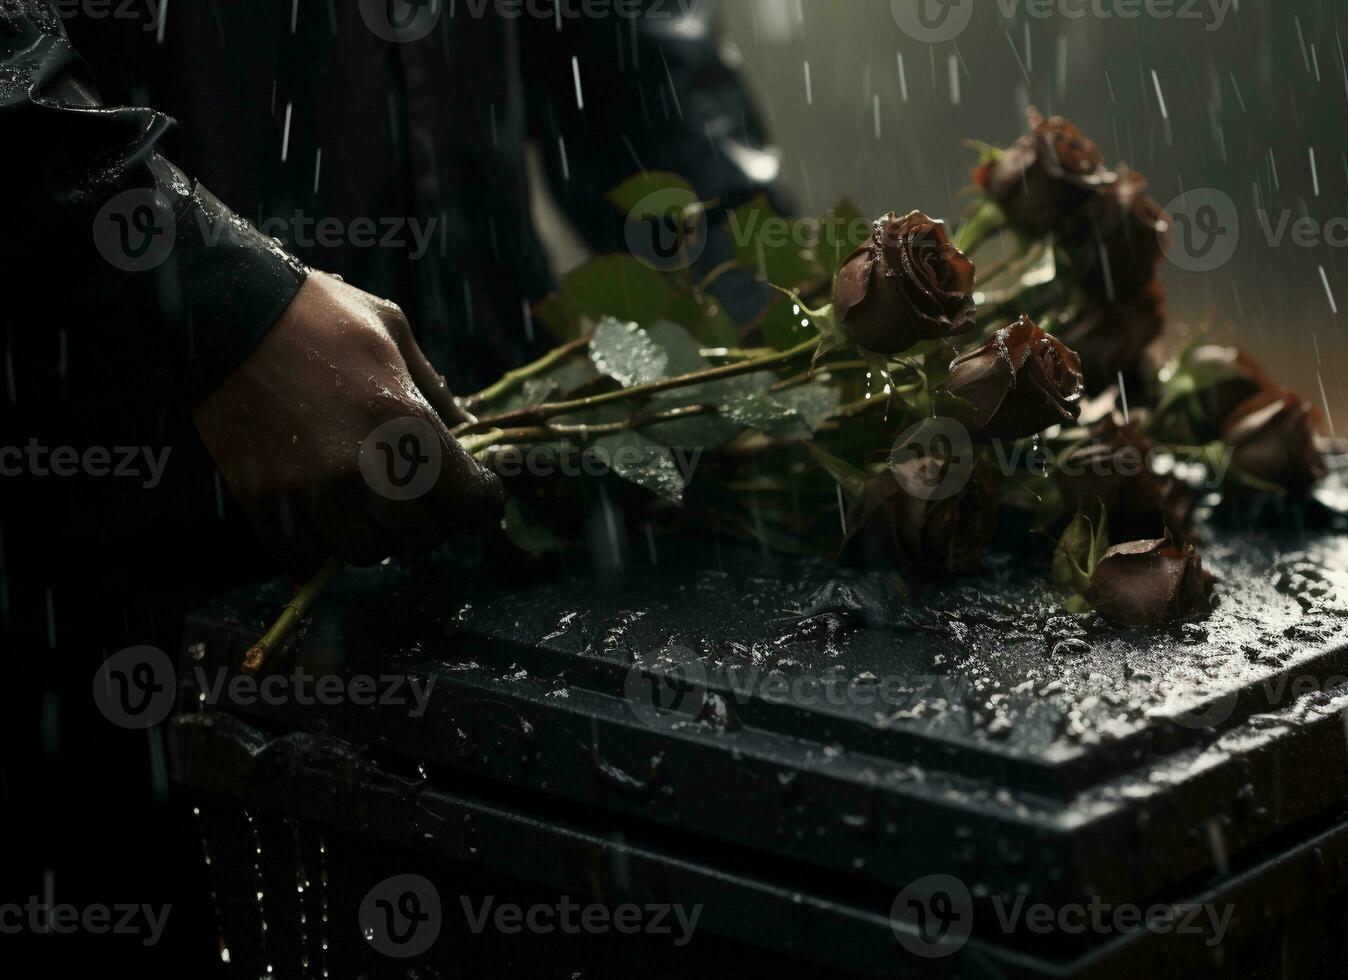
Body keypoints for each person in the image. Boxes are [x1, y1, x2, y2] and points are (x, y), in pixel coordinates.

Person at [0, 0, 782, 969]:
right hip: (125, 549)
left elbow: (622, 52)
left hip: (485, 511)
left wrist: (769, 307)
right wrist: (201, 291)